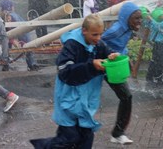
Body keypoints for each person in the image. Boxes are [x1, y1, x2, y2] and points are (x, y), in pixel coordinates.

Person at [30, 14, 119, 148]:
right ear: (84, 31)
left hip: (85, 100)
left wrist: (114, 57)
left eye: (101, 34)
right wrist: (91, 66)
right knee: (69, 137)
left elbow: (108, 53)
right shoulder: (72, 45)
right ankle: (43, 146)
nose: (98, 38)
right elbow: (65, 72)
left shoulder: (98, 44)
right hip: (69, 99)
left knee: (86, 137)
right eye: (95, 34)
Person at [101, 2, 142, 144]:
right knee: (87, 99)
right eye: (136, 18)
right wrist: (109, 55)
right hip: (101, 66)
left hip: (113, 67)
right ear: (126, 18)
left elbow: (121, 46)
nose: (139, 22)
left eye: (140, 18)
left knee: (126, 97)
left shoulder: (127, 28)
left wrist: (126, 56)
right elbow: (97, 42)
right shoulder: (115, 30)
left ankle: (118, 133)